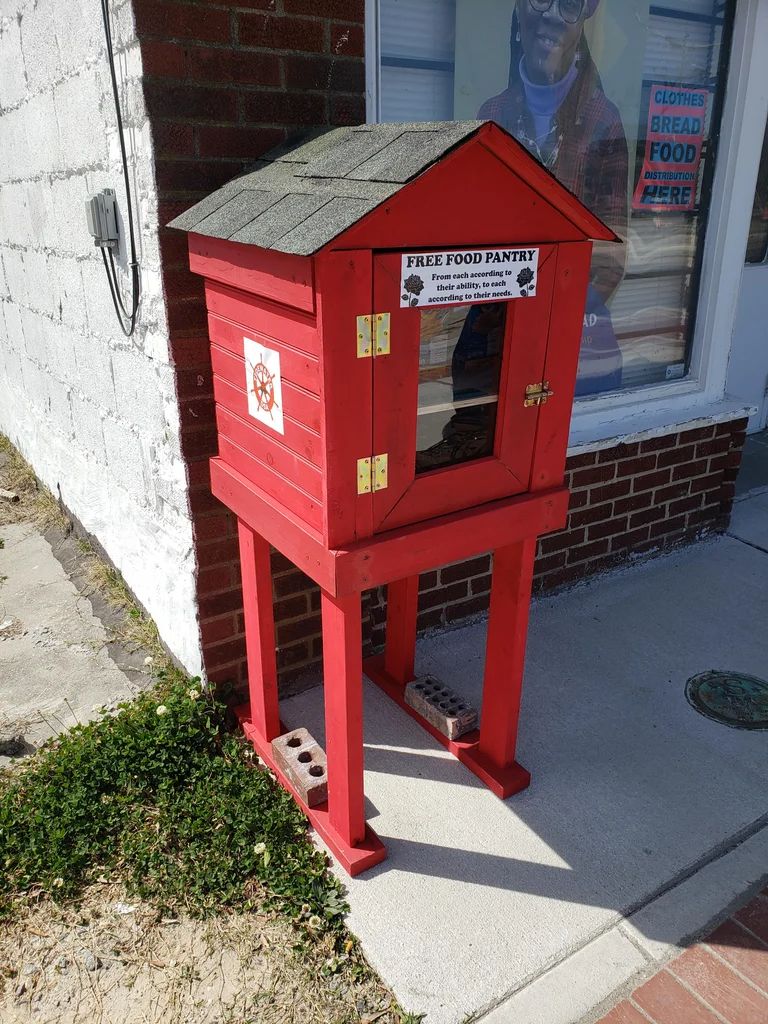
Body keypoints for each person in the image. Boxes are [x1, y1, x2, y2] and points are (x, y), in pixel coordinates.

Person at [478, 0, 629, 395]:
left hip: (573, 343)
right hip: (500, 333)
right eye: (538, 0)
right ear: (517, 10)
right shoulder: (492, 115)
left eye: (569, 5)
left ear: (583, 21)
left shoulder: (603, 121)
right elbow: (477, 234)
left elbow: (611, 251)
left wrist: (558, 321)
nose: (550, 16)